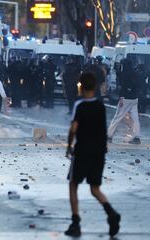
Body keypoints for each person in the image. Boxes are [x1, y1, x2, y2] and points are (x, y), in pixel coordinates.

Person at [65, 72, 121, 238]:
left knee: (73, 184)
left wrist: (69, 146)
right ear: (95, 87)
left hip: (82, 151)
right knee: (95, 188)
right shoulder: (100, 106)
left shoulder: (79, 105)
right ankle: (111, 213)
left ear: (80, 86)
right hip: (99, 152)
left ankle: (75, 223)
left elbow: (73, 128)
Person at [108, 58, 141, 144]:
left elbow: (122, 85)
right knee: (135, 118)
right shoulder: (135, 73)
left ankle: (109, 136)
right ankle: (137, 137)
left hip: (125, 98)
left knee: (117, 117)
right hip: (134, 98)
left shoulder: (123, 74)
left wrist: (121, 98)